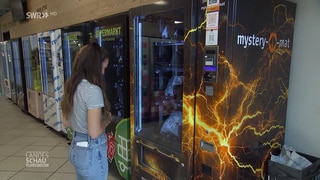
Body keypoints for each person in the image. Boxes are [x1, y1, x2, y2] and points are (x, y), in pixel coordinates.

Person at [61, 40, 112, 180]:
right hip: (92, 151)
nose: (103, 72)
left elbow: (66, 122)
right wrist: (106, 121)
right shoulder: (92, 90)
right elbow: (94, 132)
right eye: (103, 68)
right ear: (94, 66)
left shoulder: (71, 86)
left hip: (77, 149)